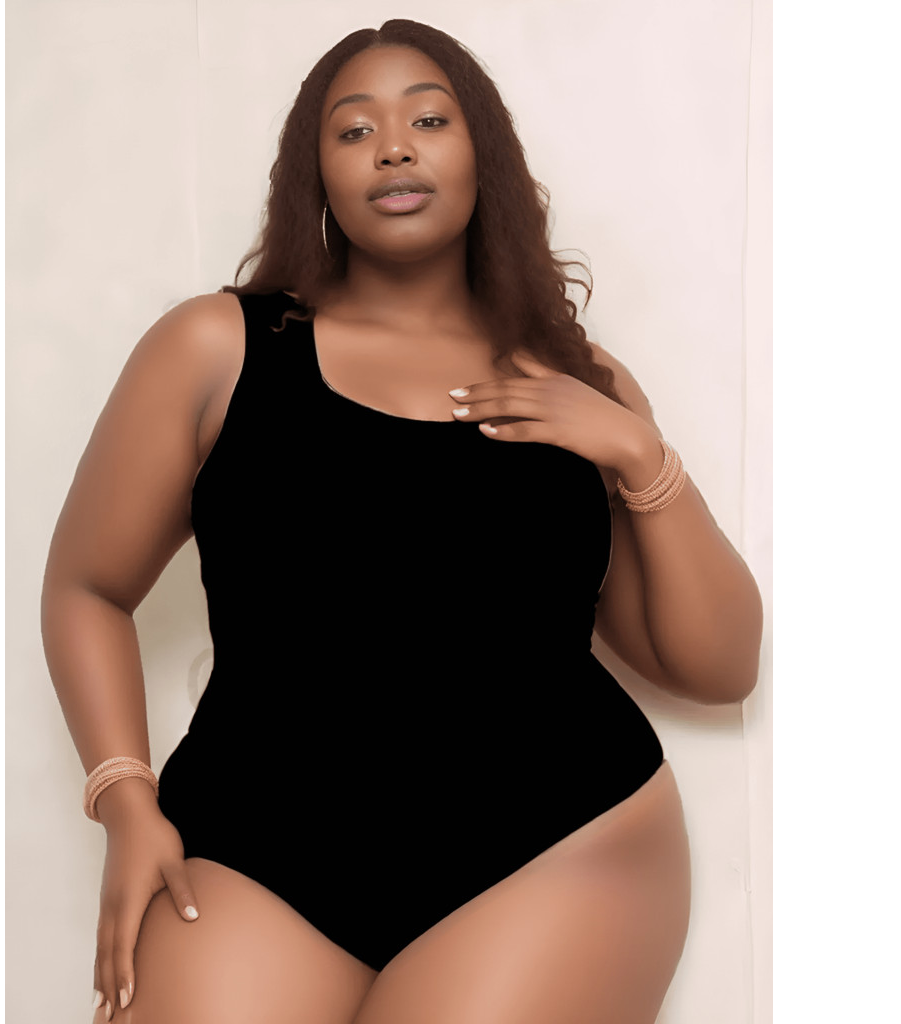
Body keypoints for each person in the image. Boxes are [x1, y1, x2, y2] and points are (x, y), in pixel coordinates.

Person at [41, 18, 762, 1024]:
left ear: (482, 157)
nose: (392, 147)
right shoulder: (215, 347)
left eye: (429, 119)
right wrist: (124, 799)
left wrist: (640, 454)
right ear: (317, 175)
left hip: (555, 844)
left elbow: (717, 667)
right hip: (257, 847)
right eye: (354, 130)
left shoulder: (576, 380)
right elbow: (87, 586)